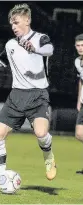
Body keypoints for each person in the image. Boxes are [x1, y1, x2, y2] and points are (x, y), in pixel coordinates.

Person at [0, 4, 56, 192]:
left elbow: (49, 49)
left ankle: (49, 157)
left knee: (41, 134)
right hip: (16, 96)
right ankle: (0, 179)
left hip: (38, 95)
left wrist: (35, 49)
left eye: (16, 23)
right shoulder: (11, 44)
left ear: (27, 20)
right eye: (11, 24)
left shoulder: (41, 39)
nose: (14, 27)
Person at [74, 33, 83, 174]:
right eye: (78, 45)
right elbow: (81, 81)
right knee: (79, 134)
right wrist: (78, 100)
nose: (80, 48)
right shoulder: (77, 61)